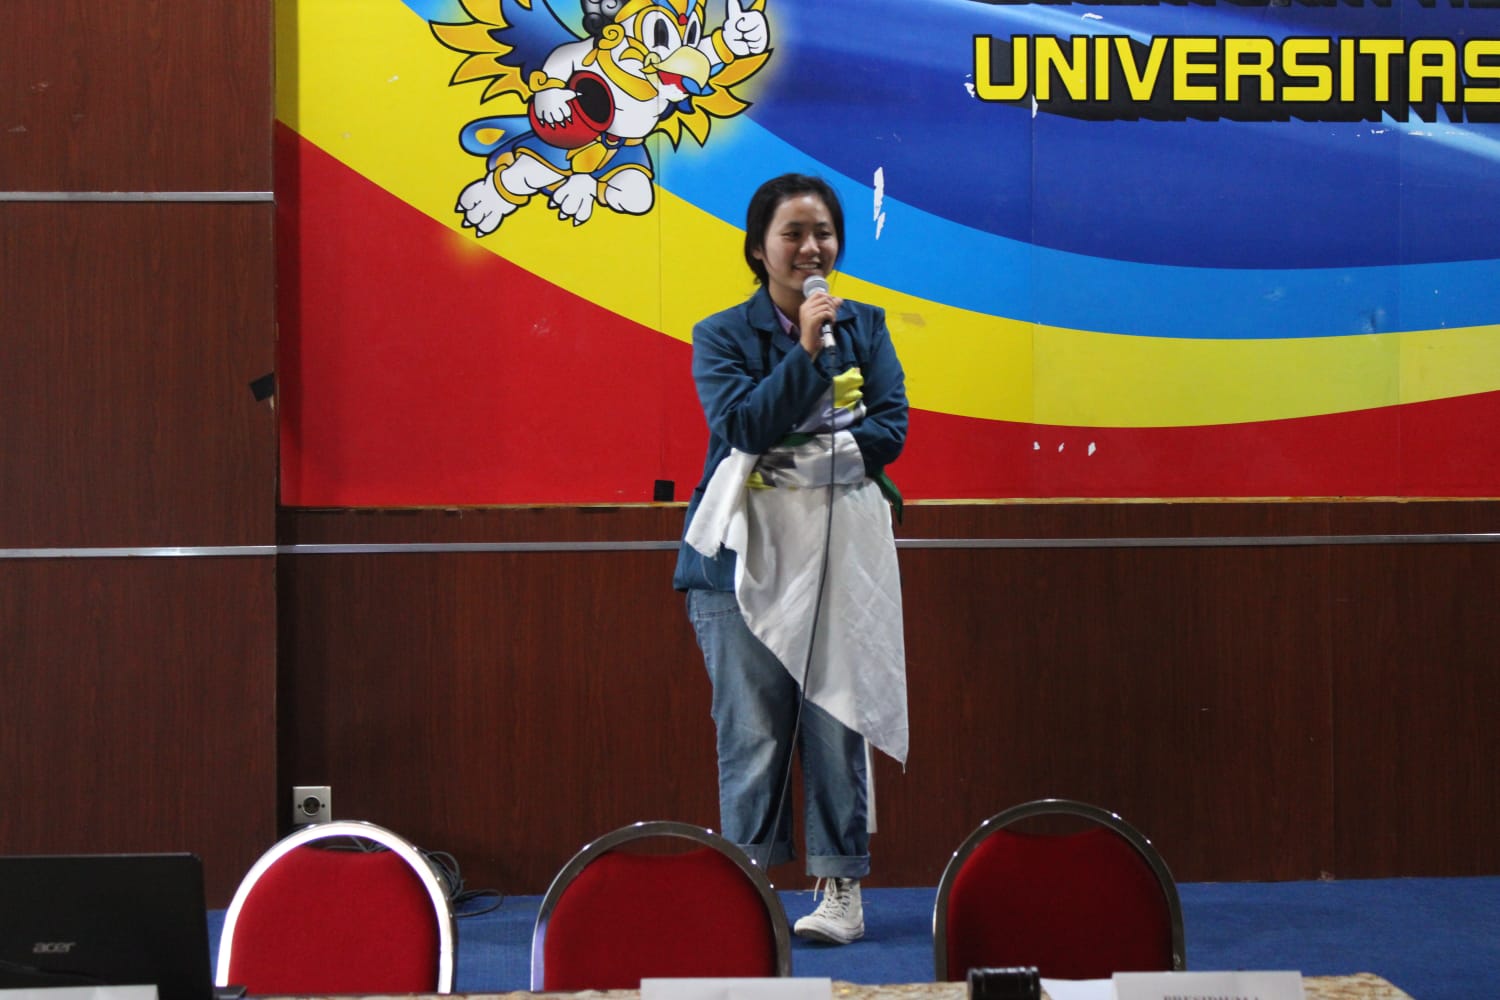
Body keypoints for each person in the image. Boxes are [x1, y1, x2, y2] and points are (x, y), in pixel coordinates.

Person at [673, 173, 909, 945]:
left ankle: (839, 886)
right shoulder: (721, 335)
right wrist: (806, 353)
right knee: (753, 731)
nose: (812, 248)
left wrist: (801, 458)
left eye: (824, 233)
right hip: (739, 564)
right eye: (794, 234)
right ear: (758, 249)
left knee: (837, 719)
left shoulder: (865, 326)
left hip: (839, 555)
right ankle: (749, 886)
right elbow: (743, 426)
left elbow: (890, 430)